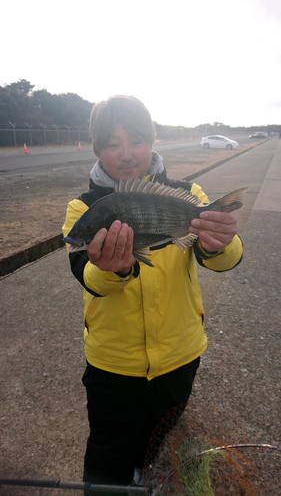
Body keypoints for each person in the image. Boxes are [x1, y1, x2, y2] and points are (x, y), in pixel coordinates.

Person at [62, 95, 243, 494]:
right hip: (112, 364)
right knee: (108, 453)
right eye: (112, 143)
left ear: (152, 141)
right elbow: (87, 275)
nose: (126, 154)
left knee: (165, 446)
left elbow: (220, 259)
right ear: (97, 150)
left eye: (137, 140)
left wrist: (219, 243)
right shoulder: (83, 209)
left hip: (180, 355)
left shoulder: (188, 193)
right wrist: (118, 269)